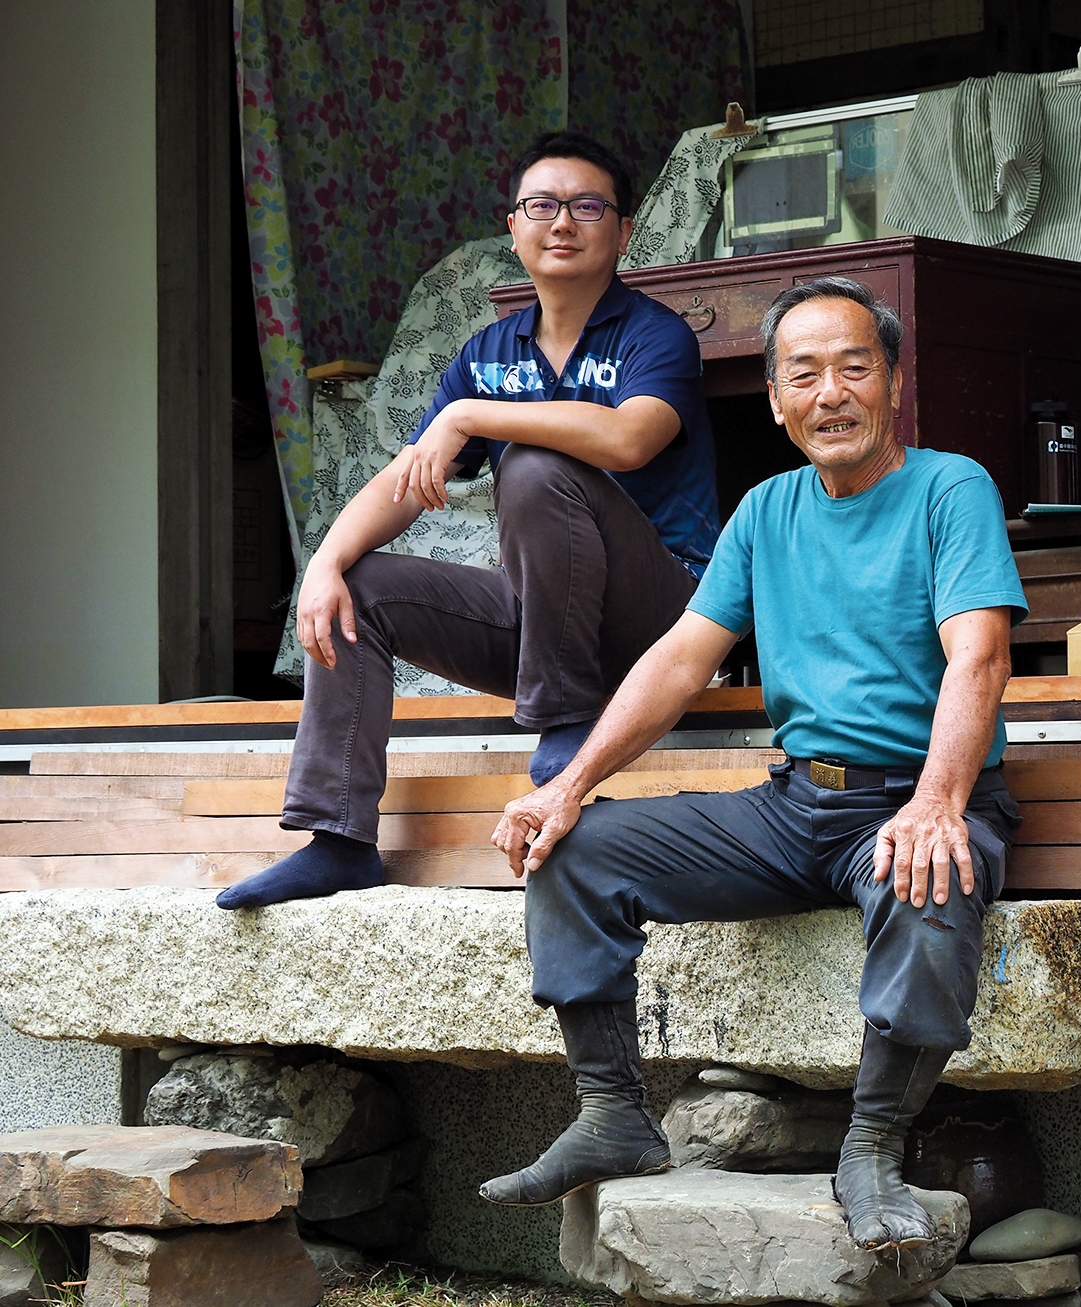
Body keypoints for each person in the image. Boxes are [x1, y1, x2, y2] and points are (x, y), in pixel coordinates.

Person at [476, 277, 1026, 1255]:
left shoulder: (951, 488)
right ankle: (611, 1113)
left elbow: (976, 656)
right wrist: (566, 784)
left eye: (854, 367)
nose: (830, 393)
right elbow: (678, 661)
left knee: (931, 877)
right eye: (803, 374)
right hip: (796, 805)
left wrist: (938, 800)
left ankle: (871, 1147)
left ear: (894, 383)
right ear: (774, 400)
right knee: (577, 848)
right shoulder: (767, 510)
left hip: (915, 797)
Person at [217, 131, 721, 912]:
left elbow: (630, 439)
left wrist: (471, 415)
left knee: (534, 463)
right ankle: (338, 838)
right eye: (541, 206)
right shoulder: (489, 351)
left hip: (661, 621)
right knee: (359, 588)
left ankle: (565, 722)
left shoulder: (656, 334)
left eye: (587, 207)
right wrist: (324, 564)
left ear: (623, 232)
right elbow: (403, 480)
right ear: (513, 229)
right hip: (548, 622)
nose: (563, 222)